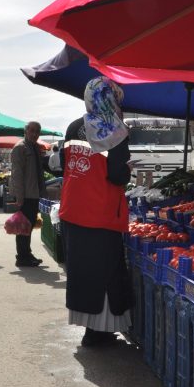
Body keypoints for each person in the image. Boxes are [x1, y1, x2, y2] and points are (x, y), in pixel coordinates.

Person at [61, 77, 134, 347]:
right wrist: (128, 169)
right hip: (101, 213)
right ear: (110, 99)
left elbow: (64, 166)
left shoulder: (73, 127)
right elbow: (116, 175)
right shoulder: (114, 131)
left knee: (82, 272)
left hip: (73, 209)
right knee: (106, 273)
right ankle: (99, 332)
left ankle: (88, 329)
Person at [9, 121, 46, 267]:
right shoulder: (20, 148)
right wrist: (19, 196)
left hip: (34, 193)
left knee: (29, 225)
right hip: (25, 194)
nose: (35, 134)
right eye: (32, 131)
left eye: (37, 131)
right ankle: (22, 257)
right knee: (23, 226)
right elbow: (17, 174)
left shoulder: (35, 147)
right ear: (26, 131)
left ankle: (26, 253)